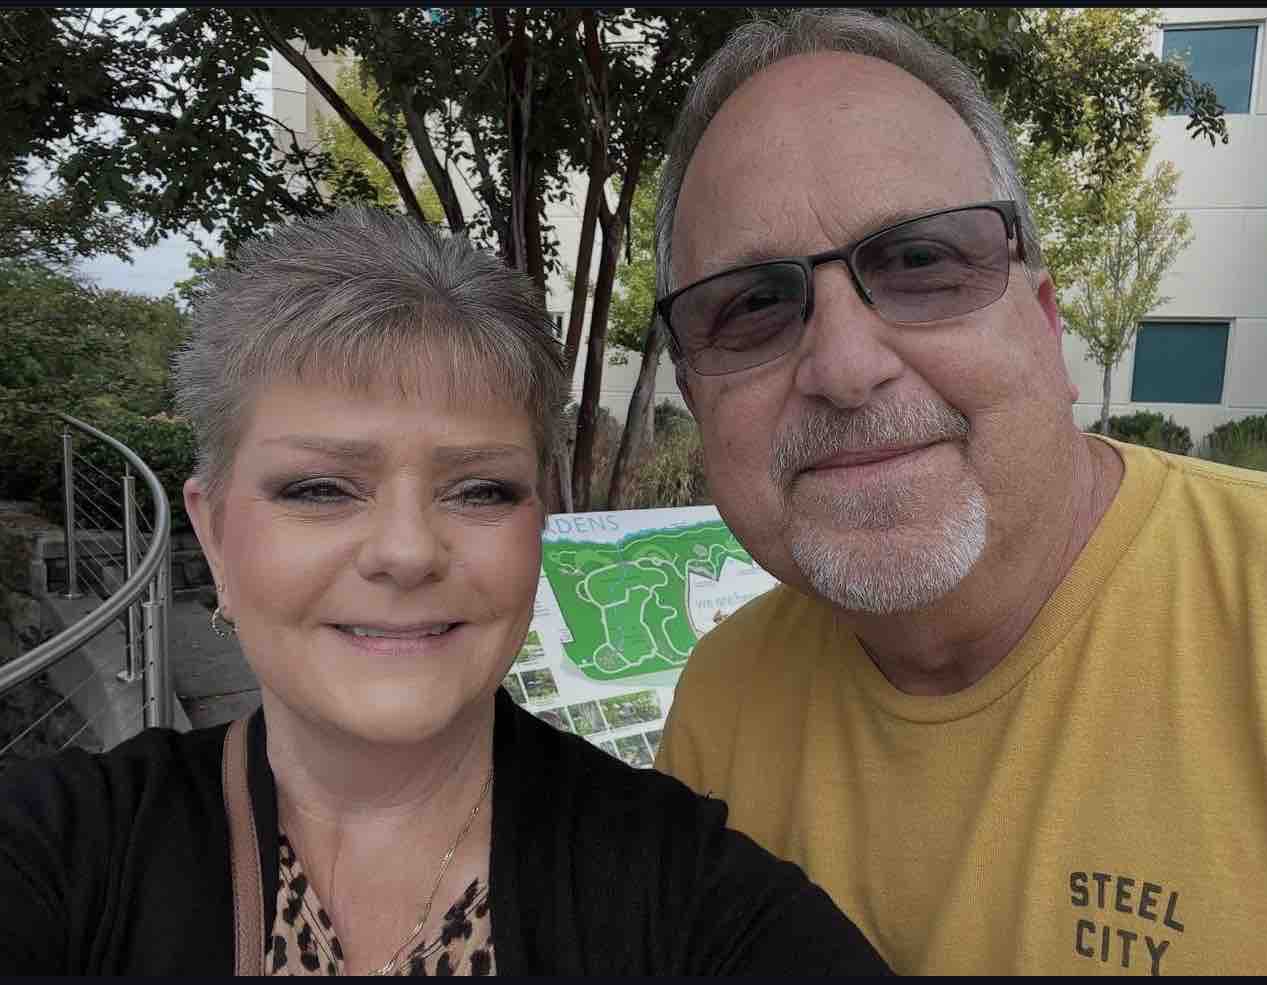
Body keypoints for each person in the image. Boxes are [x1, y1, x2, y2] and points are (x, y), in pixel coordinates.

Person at [0, 208, 889, 975]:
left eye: (480, 490)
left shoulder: (687, 893)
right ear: (215, 535)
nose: (406, 551)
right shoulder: (64, 849)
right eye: (320, 488)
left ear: (537, 528)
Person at [651, 8, 1267, 977]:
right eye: (752, 305)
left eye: (920, 262)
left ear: (1046, 323)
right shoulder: (724, 700)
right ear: (696, 397)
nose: (846, 366)